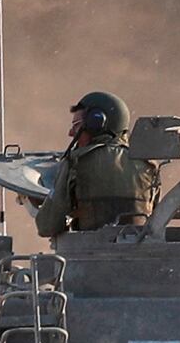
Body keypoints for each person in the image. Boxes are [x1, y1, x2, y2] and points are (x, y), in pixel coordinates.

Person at [35, 89, 162, 237]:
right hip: (139, 256)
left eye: (76, 125)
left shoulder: (76, 162)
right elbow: (154, 219)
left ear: (96, 123)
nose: (71, 132)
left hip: (89, 255)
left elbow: (47, 227)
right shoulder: (149, 164)